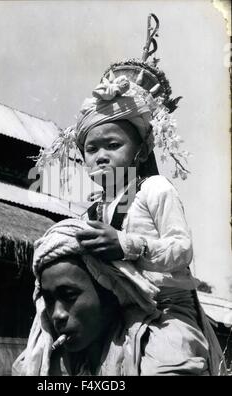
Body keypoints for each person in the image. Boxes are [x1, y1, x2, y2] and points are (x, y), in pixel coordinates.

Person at [21, 14, 226, 375]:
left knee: (168, 368)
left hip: (165, 313)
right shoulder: (94, 210)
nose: (101, 156)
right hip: (121, 312)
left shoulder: (156, 190)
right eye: (91, 149)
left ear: (141, 152)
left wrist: (128, 245)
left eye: (113, 145)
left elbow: (182, 249)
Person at [12, 219, 224, 376]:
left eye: (69, 296)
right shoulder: (41, 363)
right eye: (48, 300)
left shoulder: (162, 353)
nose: (57, 314)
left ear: (111, 291)